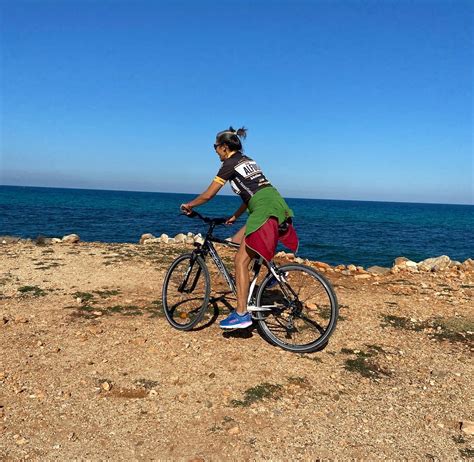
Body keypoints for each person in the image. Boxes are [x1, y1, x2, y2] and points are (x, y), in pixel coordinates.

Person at [180, 126, 298, 329]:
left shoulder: (229, 164)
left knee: (240, 260)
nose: (215, 150)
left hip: (262, 209)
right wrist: (235, 215)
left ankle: (242, 313)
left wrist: (190, 205)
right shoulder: (248, 160)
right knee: (235, 241)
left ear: (224, 147)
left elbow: (209, 195)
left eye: (215, 147)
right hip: (276, 204)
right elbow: (252, 192)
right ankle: (274, 274)